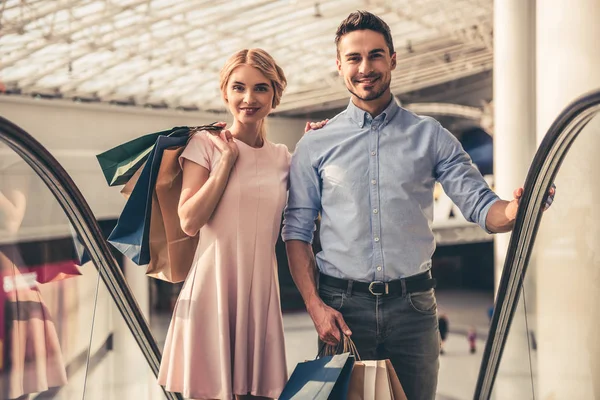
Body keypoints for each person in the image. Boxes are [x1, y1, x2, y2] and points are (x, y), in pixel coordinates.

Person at [282, 10, 556, 400]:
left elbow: (483, 208)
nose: (366, 68)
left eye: (376, 55)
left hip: (413, 311)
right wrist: (314, 305)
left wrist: (517, 210)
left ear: (393, 59)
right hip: (342, 311)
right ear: (339, 65)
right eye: (354, 58)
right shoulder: (315, 145)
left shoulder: (430, 136)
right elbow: (296, 231)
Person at [158, 48, 297, 400]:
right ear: (225, 93)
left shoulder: (283, 157)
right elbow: (189, 220)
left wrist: (321, 139)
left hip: (261, 296)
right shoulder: (205, 144)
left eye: (261, 88)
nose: (248, 99)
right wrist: (225, 162)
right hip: (213, 293)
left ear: (275, 95)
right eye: (239, 88)